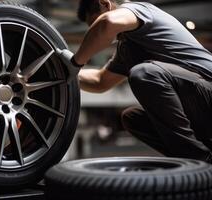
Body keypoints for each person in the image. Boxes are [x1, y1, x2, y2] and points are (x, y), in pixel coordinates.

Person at [57, 0, 212, 162]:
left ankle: (200, 160)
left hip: (208, 88)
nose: (93, 30)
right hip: (197, 107)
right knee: (132, 119)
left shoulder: (138, 9)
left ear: (105, 4)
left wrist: (75, 62)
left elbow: (107, 22)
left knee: (144, 73)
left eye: (94, 23)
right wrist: (62, 72)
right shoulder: (127, 48)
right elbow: (99, 81)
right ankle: (199, 157)